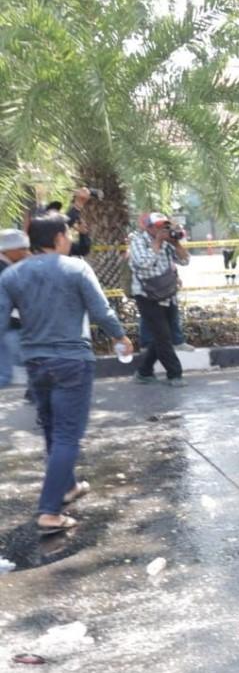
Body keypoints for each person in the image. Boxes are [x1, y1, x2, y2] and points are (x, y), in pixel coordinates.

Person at [0, 212, 132, 534]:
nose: (70, 239)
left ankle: (69, 486)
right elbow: (101, 310)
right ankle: (49, 512)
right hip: (72, 361)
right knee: (67, 435)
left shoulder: (11, 276)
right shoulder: (76, 268)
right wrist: (120, 336)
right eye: (68, 234)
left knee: (51, 427)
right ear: (59, 238)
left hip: (36, 363)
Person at [129, 212, 189, 386]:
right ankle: (175, 374)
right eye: (158, 226)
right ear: (148, 227)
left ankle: (144, 371)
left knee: (163, 335)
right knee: (163, 336)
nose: (163, 229)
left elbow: (185, 261)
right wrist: (157, 243)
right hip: (146, 294)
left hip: (167, 294)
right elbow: (142, 263)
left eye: (165, 225)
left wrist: (175, 243)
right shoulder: (139, 241)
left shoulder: (168, 242)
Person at [0, 229, 31, 388]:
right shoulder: (4, 269)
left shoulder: (10, 266)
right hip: (8, 326)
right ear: (9, 250)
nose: (26, 252)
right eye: (22, 249)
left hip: (10, 324)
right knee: (6, 373)